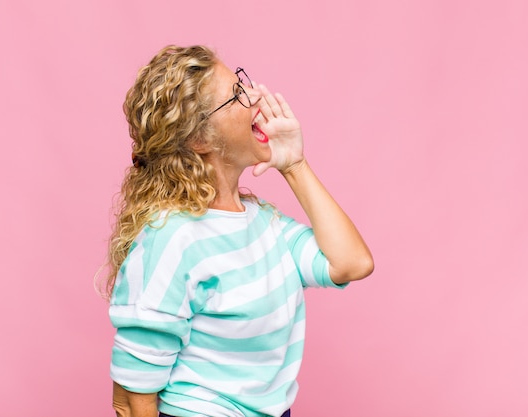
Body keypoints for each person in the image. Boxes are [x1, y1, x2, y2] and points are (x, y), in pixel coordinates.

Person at [104, 45, 374, 417]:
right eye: (236, 94)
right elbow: (133, 399)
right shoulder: (172, 240)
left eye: (242, 84)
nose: (255, 98)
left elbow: (352, 263)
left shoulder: (264, 223)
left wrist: (294, 164)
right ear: (199, 140)